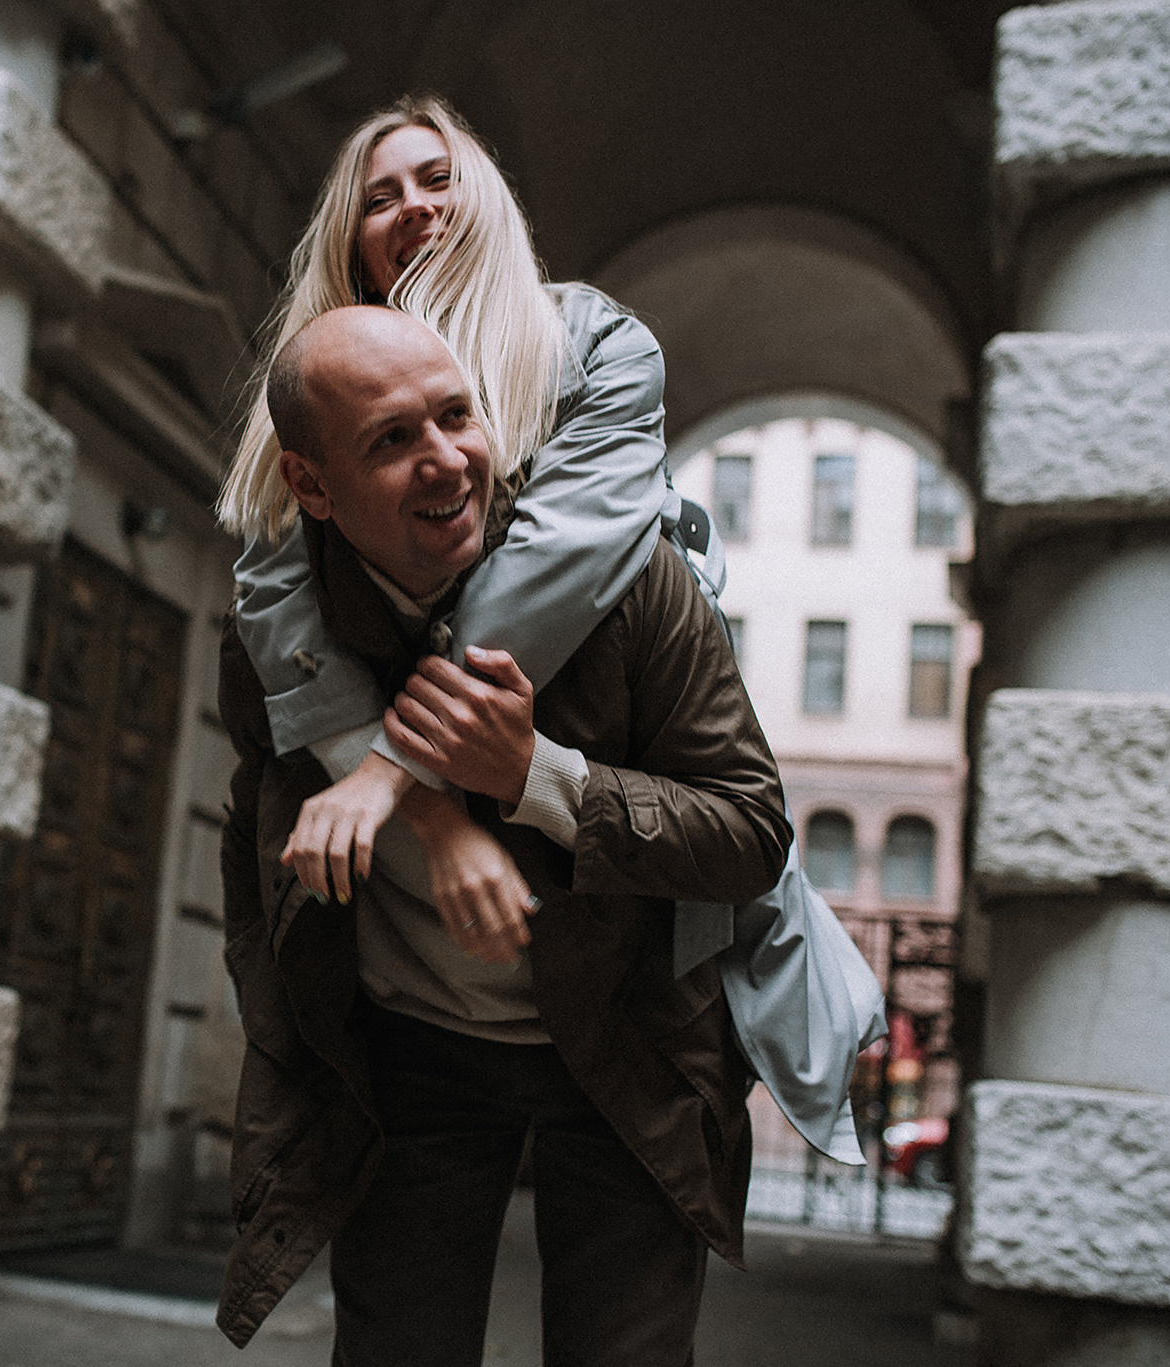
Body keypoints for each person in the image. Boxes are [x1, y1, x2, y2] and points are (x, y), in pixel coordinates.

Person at [213, 304, 792, 1362]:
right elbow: (250, 835)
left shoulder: (636, 586)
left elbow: (751, 827)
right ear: (309, 484)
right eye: (392, 440)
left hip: (623, 1046)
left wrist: (536, 778)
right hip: (406, 1057)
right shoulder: (278, 633)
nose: (447, 461)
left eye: (455, 416)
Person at [217, 96, 676, 960]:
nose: (415, 206)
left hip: (601, 817)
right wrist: (428, 815)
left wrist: (389, 772)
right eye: (380, 198)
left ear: (489, 201)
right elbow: (278, 606)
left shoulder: (596, 343)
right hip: (383, 933)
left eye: (438, 179)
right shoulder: (318, 380)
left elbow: (554, 568)